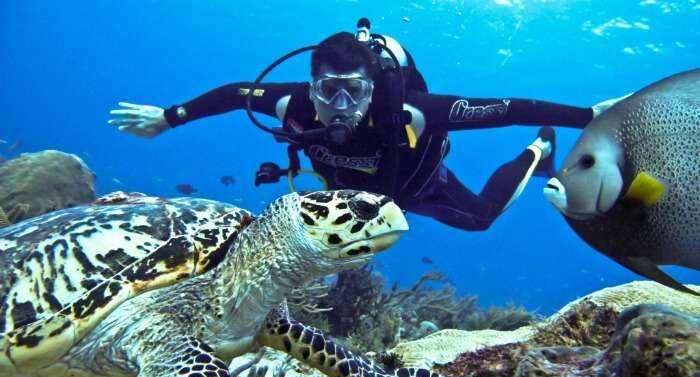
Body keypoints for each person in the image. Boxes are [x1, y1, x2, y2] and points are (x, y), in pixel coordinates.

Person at [109, 30, 622, 231]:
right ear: (310, 85)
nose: (339, 106)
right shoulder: (291, 102)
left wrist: (585, 115)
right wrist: (169, 117)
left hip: (419, 187)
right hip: (350, 199)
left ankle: (539, 150)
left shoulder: (414, 110)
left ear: (372, 86)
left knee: (480, 219)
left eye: (353, 90)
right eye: (326, 90)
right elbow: (234, 93)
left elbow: (504, 107)